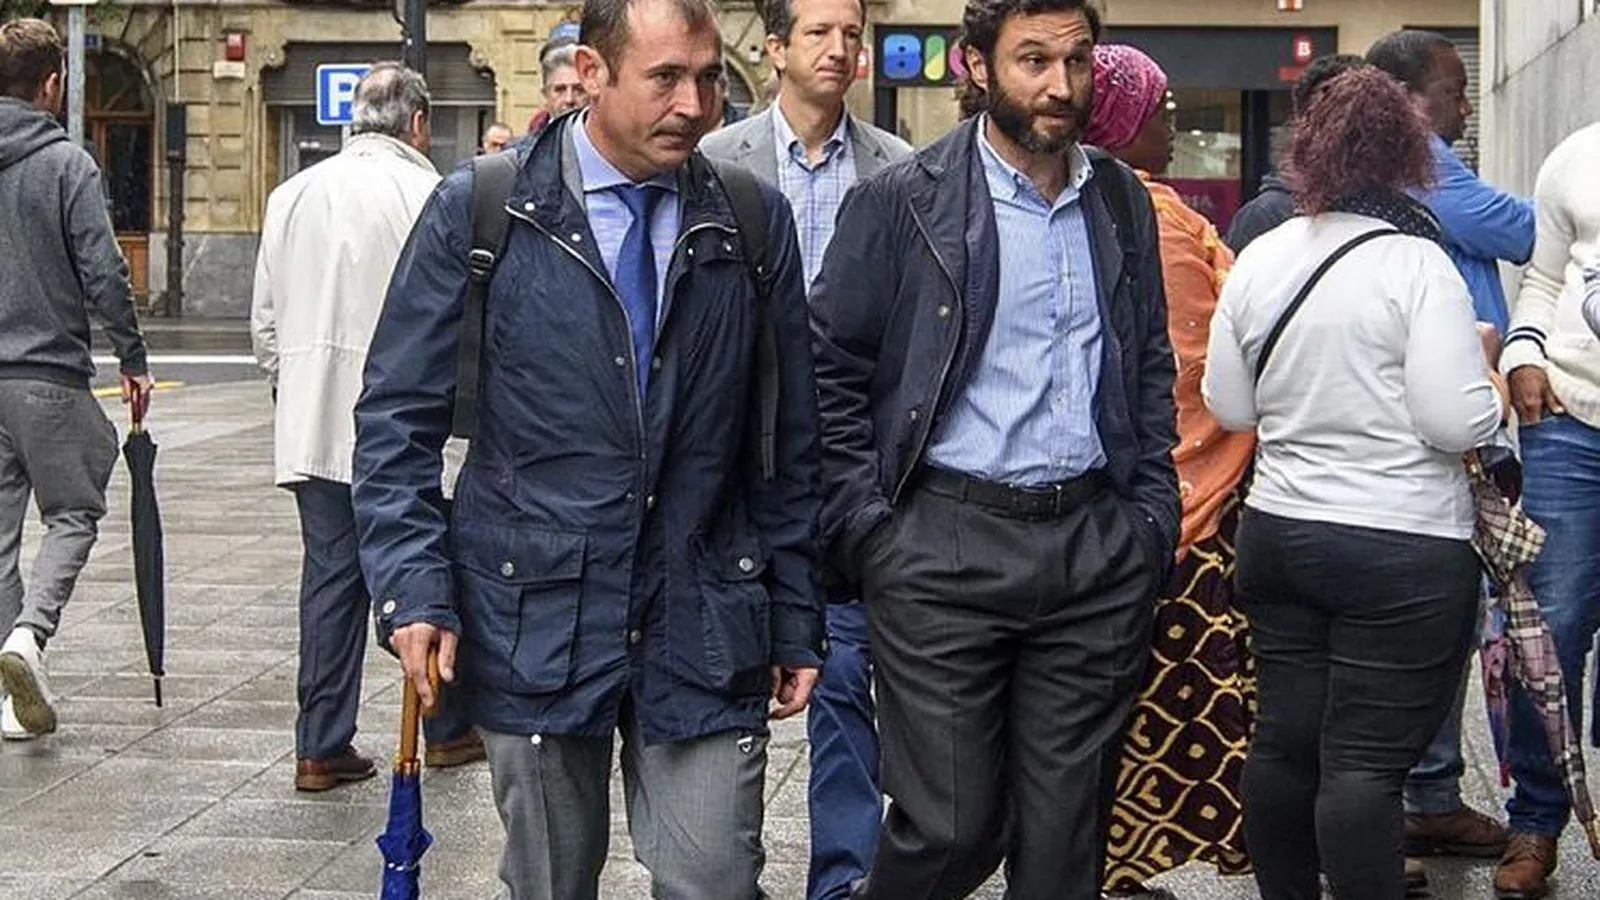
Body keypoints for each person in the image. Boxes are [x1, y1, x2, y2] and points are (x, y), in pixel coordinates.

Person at [351, 0, 824, 895]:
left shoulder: (751, 221)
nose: (694, 104)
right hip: (535, 618)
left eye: (708, 78)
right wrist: (414, 587)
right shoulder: (486, 208)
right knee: (549, 883)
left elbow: (789, 446)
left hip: (703, 616)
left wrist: (798, 611)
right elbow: (395, 421)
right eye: (666, 78)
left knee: (716, 878)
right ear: (592, 74)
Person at [810, 0, 1180, 896]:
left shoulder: (1119, 200)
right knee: (952, 828)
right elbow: (829, 371)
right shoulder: (904, 198)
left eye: (1078, 61)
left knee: (1063, 849)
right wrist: (873, 532)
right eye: (1033, 61)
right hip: (942, 548)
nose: (1061, 85)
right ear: (977, 66)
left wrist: (1148, 520)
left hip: (1093, 551)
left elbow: (1147, 364)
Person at [1202, 66, 1509, 900]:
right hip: (1401, 548)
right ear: (1406, 156)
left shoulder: (1262, 255)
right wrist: (1487, 377)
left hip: (1281, 536)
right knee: (1364, 767)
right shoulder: (1418, 264)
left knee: (1283, 746)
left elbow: (1230, 405)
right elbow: (1454, 422)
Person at [699, 1, 909, 896]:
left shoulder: (898, 168)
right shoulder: (717, 160)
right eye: (819, 32)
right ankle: (723, 859)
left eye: (851, 33)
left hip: (855, 462)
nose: (840, 48)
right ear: (776, 48)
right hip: (741, 459)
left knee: (846, 669)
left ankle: (843, 879)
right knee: (732, 675)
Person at [251, 63, 484, 792]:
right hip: (410, 428)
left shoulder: (292, 194)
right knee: (425, 566)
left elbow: (264, 326)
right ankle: (446, 726)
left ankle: (319, 744)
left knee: (330, 581)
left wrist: (296, 390)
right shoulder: (430, 194)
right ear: (418, 122)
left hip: (314, 424)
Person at [1081, 43, 1256, 897]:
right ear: (1122, 123)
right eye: (1161, 111)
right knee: (1171, 703)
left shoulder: (1105, 206)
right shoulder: (1152, 221)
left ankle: (1105, 867)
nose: (1175, 125)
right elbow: (1200, 369)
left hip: (1116, 512)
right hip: (1180, 506)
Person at [1366, 27, 1532, 862]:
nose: (1466, 107)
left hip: (1414, 426)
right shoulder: (1422, 162)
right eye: (1454, 91)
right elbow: (1522, 229)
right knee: (1442, 615)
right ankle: (1417, 798)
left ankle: (1420, 795)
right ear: (1407, 99)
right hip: (1445, 426)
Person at [0, 18, 152, 741]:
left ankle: (9, 699)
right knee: (73, 512)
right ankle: (29, 637)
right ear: (52, 83)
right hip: (47, 375)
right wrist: (132, 356)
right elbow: (103, 269)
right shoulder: (67, 164)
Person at [1494, 118, 1600, 900]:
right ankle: (1535, 820)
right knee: (1550, 625)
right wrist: (1523, 352)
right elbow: (1543, 278)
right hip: (1569, 420)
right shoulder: (1577, 157)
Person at [1224, 53, 1365, 254]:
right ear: (1304, 123)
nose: (1349, 130)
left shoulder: (1392, 209)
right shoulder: (1266, 215)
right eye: (1332, 116)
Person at [525, 42, 588, 135]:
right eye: (560, 90)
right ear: (546, 94)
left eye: (579, 90)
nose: (569, 99)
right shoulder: (531, 140)